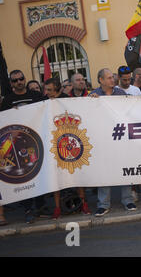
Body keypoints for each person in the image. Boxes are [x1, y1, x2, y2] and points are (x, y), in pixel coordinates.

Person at [0, 70, 50, 223]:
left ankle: (40, 206)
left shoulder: (35, 96)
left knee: (40, 172)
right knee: (25, 176)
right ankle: (28, 208)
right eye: (15, 81)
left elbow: (48, 107)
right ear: (11, 83)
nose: (19, 82)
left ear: (25, 79)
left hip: (37, 140)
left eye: (21, 79)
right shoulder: (8, 100)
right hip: (18, 145)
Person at [89, 68, 136, 217]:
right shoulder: (93, 96)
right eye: (109, 78)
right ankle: (103, 204)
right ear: (101, 80)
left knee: (125, 167)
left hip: (120, 136)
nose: (112, 80)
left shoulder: (120, 93)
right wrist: (91, 102)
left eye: (113, 77)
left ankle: (127, 200)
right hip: (102, 139)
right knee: (104, 171)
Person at [43, 78, 91, 219]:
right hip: (53, 143)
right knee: (55, 176)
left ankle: (84, 204)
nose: (47, 93)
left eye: (50, 90)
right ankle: (57, 208)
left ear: (58, 89)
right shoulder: (43, 101)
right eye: (46, 90)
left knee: (76, 174)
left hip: (70, 140)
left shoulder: (67, 100)